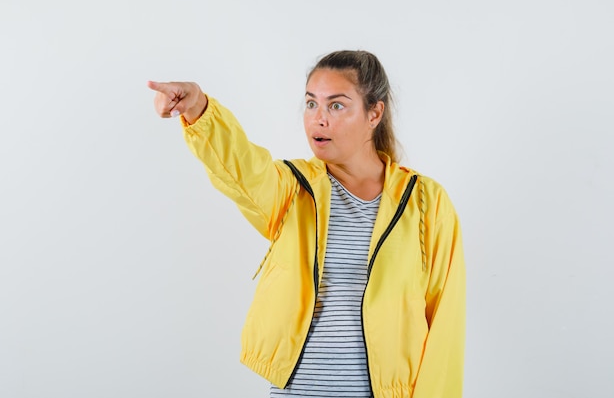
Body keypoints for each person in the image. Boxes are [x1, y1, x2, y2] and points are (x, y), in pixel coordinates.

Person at [148, 50, 465, 398]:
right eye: (311, 104)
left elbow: (445, 328)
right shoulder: (293, 188)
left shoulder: (425, 203)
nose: (318, 119)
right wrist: (199, 108)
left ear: (374, 113)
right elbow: (241, 167)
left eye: (337, 105)